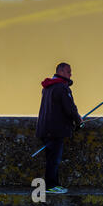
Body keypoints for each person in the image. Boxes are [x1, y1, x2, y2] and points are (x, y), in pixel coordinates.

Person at [36, 62, 83, 194]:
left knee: (51, 158)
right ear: (61, 72)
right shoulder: (62, 88)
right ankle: (51, 186)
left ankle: (54, 184)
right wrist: (78, 120)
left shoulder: (47, 87)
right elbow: (70, 109)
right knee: (54, 160)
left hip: (44, 129)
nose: (70, 74)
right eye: (68, 71)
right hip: (56, 130)